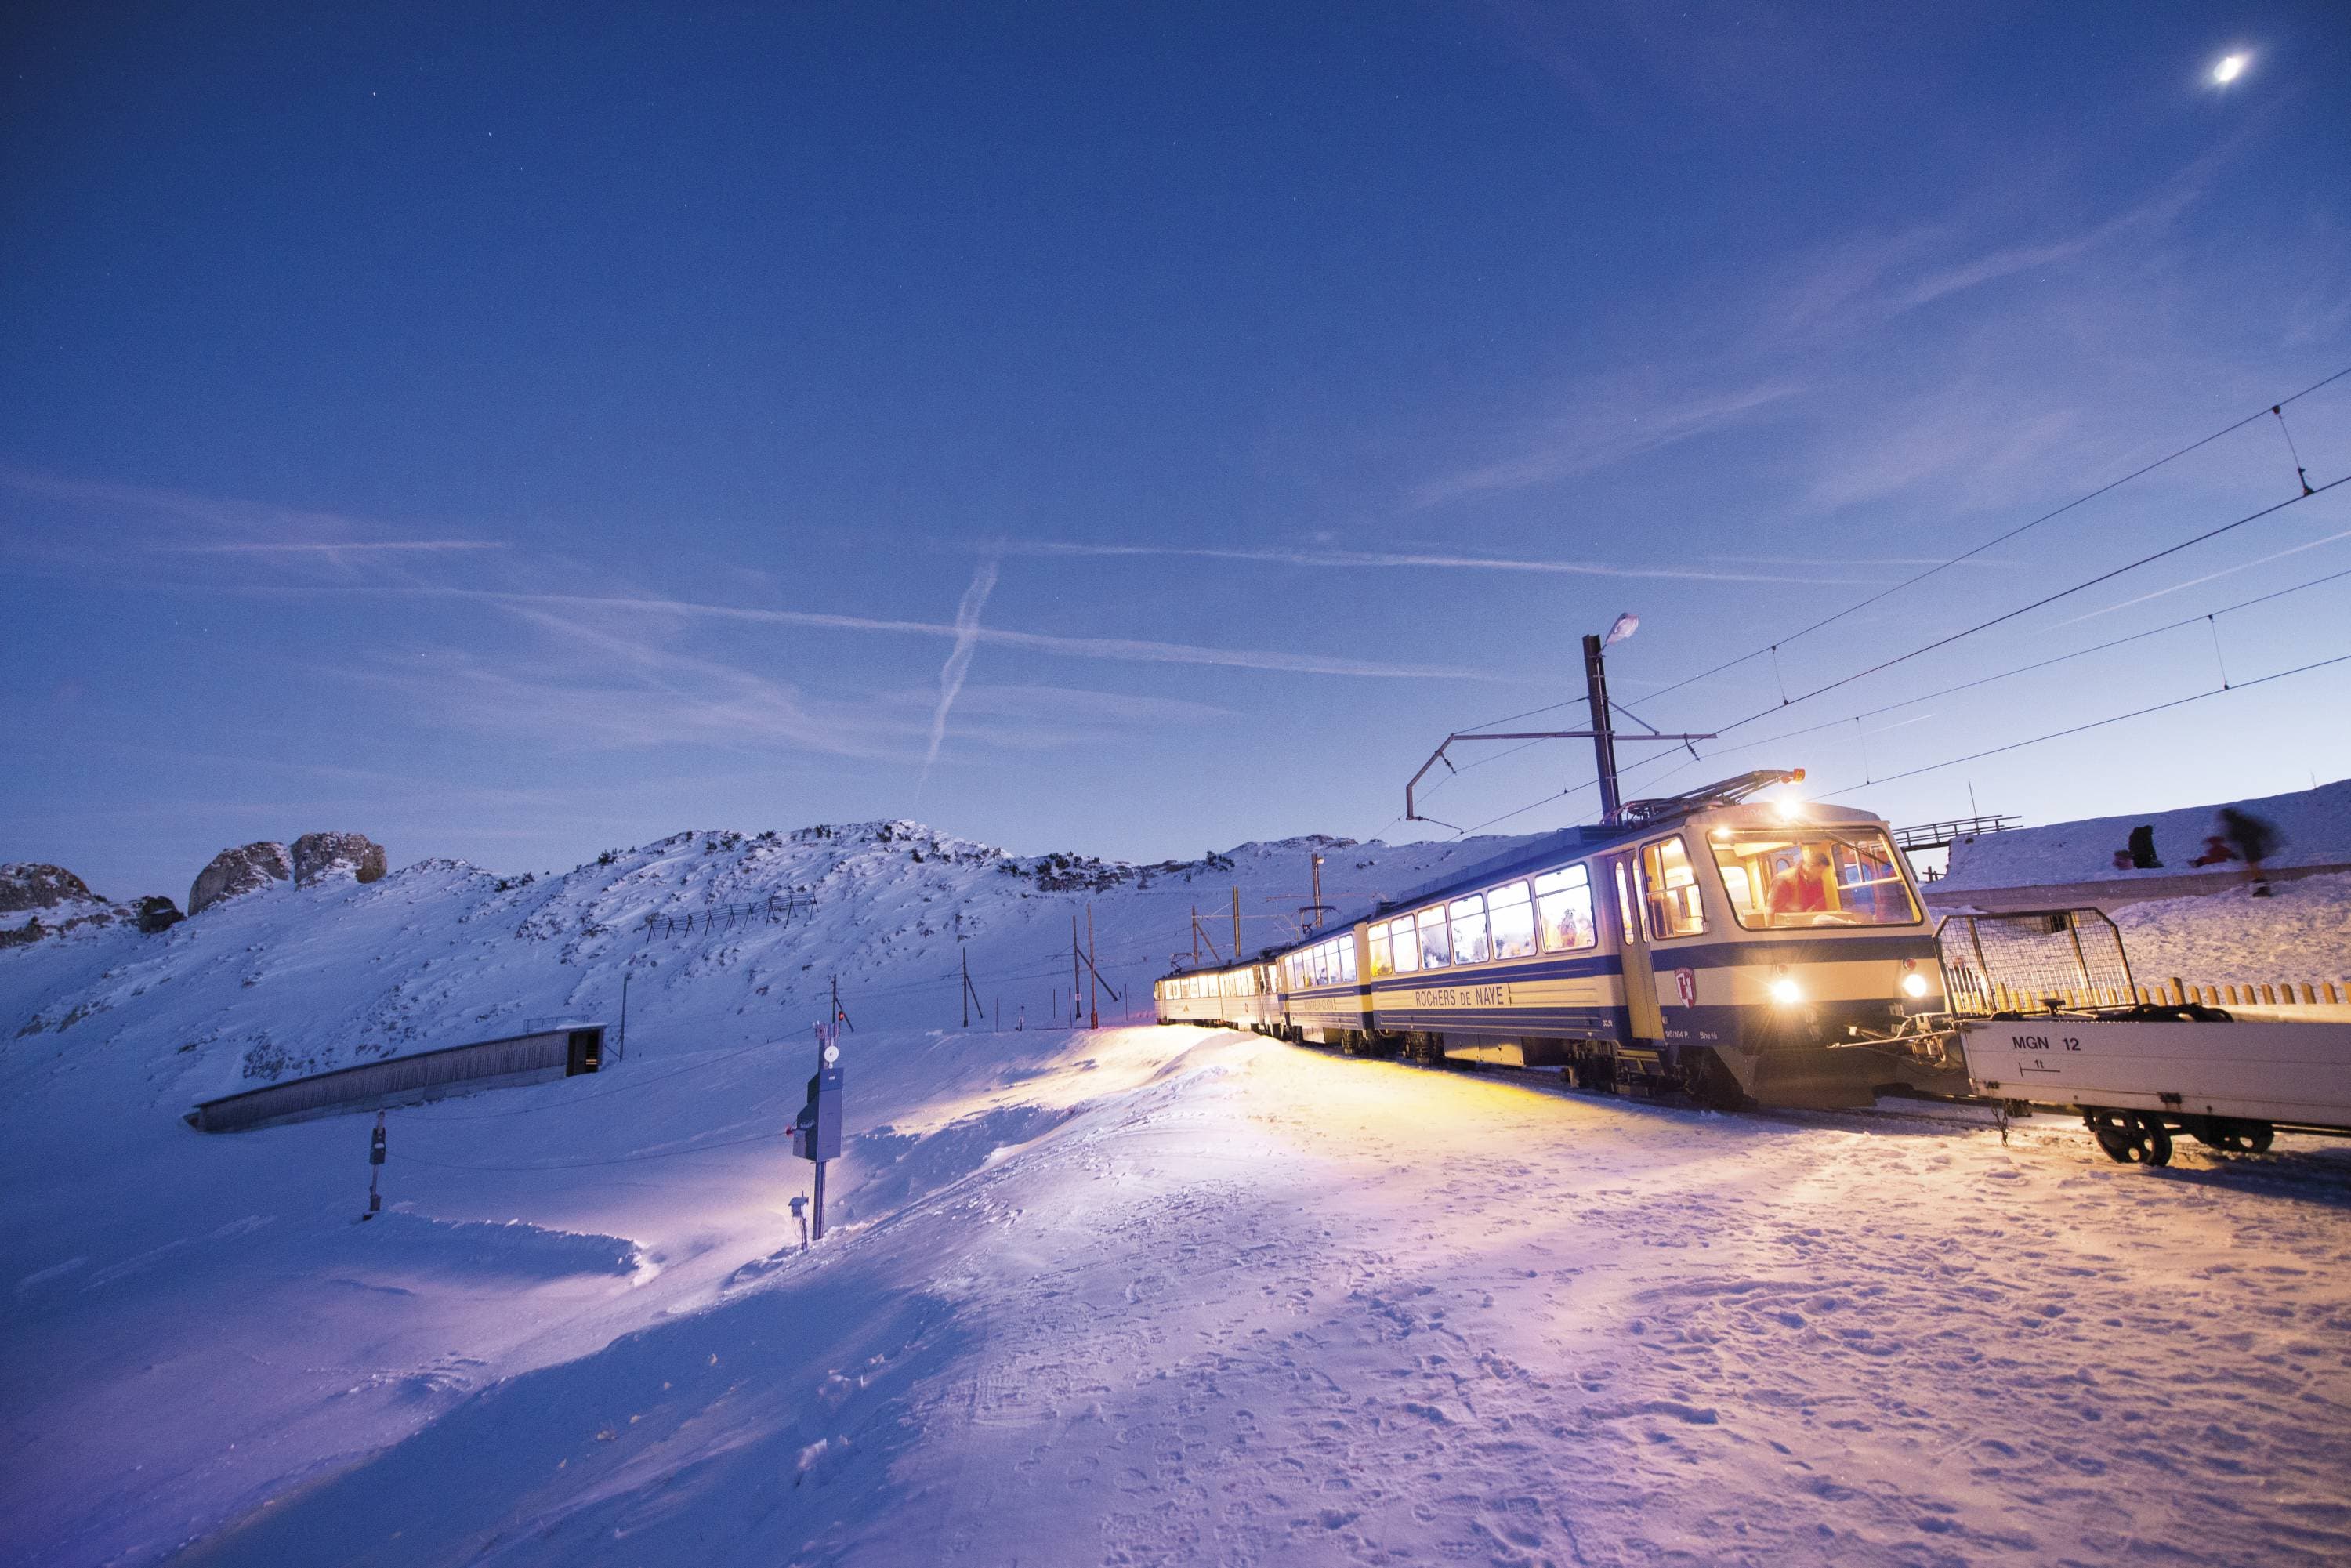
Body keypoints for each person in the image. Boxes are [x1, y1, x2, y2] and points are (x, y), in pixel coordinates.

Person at [2217, 807, 2280, 897]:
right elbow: (2261, 831)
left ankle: (2263, 889)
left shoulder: (2236, 825)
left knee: (2254, 868)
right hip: (2254, 846)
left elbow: (2233, 838)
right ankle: (2262, 888)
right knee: (2253, 868)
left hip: (2250, 848)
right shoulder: (2245, 821)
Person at [1769, 847, 1828, 921]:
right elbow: (1773, 912)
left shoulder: (1817, 882)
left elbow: (1821, 906)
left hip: (1809, 925)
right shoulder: (1783, 880)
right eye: (1820, 871)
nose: (1821, 875)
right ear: (1810, 866)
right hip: (1789, 927)